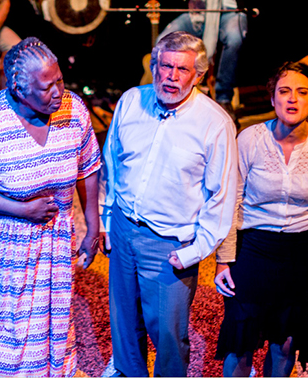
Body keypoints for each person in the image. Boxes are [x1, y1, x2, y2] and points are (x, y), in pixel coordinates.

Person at [0, 37, 102, 377]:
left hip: (52, 244)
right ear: (20, 90)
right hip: (1, 249)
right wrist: (22, 210)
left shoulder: (73, 109)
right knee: (1, 337)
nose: (57, 92)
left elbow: (89, 167)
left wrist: (92, 225)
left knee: (46, 331)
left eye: (60, 81)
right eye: (46, 87)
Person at [100, 31, 239, 377]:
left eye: (182, 69)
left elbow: (221, 199)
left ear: (199, 75)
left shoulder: (216, 124)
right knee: (123, 320)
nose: (171, 77)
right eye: (165, 66)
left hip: (170, 245)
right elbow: (112, 166)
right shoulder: (132, 101)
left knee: (168, 334)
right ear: (154, 65)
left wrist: (194, 253)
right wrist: (106, 220)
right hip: (123, 228)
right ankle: (128, 372)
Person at [213, 61, 308, 376]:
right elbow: (231, 201)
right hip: (253, 250)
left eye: (302, 92)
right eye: (284, 91)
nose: (292, 99)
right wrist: (223, 260)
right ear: (272, 99)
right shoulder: (249, 139)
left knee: (286, 340)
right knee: (241, 339)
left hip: (299, 254)